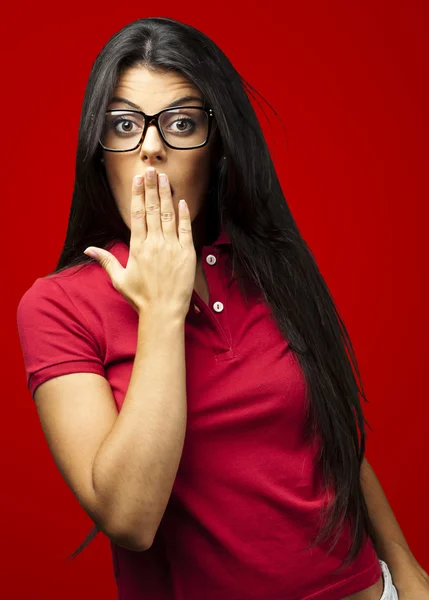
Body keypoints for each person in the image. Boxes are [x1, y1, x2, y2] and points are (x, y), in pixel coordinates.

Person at [17, 16, 421, 600]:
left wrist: (404, 569)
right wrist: (160, 312)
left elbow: (334, 438)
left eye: (181, 123)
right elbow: (129, 518)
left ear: (217, 146)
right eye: (125, 125)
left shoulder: (270, 266)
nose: (151, 148)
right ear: (99, 152)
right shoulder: (57, 305)